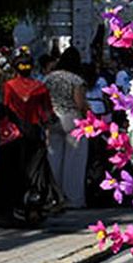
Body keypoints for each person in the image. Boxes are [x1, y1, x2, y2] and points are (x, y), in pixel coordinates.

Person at [0, 54, 63, 225]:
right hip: (33, 135)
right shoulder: (39, 87)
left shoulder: (8, 87)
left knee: (7, 174)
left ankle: (5, 210)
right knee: (34, 174)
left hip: (12, 136)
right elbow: (48, 113)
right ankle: (32, 207)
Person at [43, 47, 89, 207]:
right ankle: (73, 198)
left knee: (53, 158)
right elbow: (79, 103)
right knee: (74, 160)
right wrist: (88, 113)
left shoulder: (49, 78)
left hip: (53, 118)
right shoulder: (76, 80)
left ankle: (53, 195)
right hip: (72, 119)